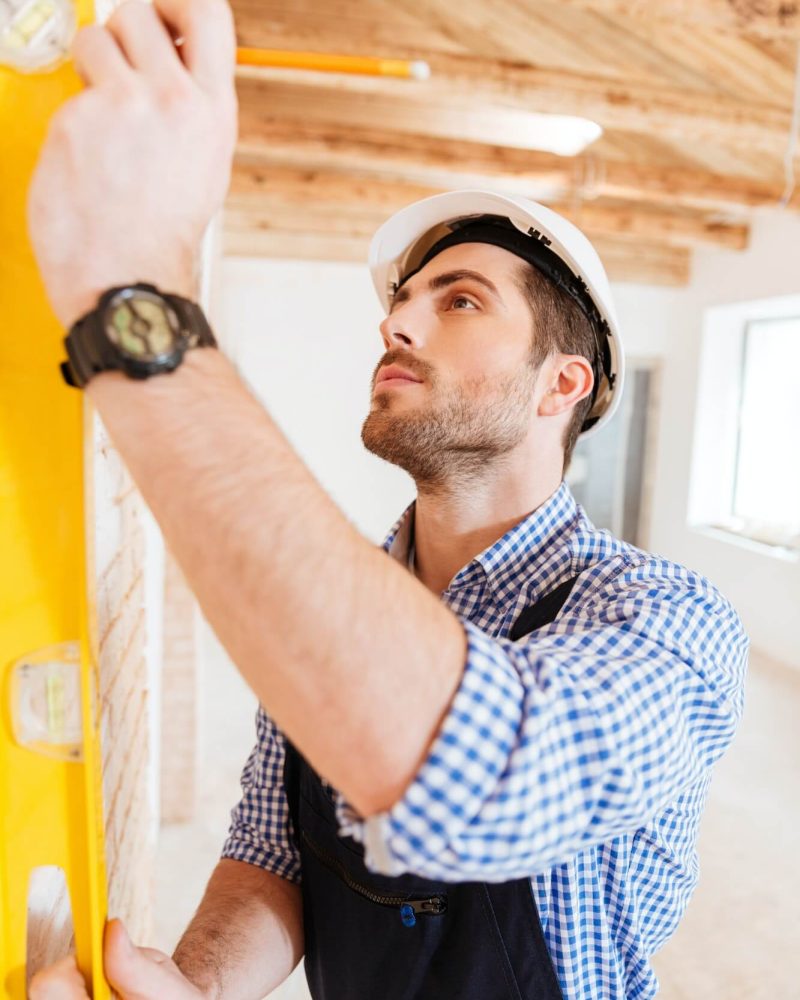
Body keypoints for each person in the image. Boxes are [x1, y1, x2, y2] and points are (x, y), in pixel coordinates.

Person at [26, 1, 748, 998]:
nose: (395, 325)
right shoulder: (341, 602)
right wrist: (198, 986)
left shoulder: (667, 619)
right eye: (398, 304)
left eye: (455, 299)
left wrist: (135, 298)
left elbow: (486, 773)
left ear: (560, 385)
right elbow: (273, 853)